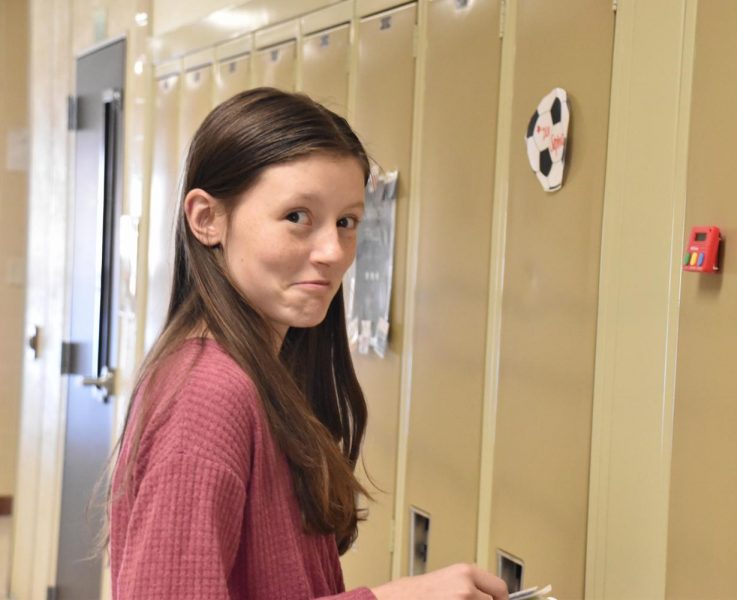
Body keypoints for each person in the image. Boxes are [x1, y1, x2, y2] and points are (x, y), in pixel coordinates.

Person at [108, 87, 509, 600]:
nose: (333, 251)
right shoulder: (206, 395)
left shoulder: (262, 376)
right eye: (298, 216)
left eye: (347, 222)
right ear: (207, 219)